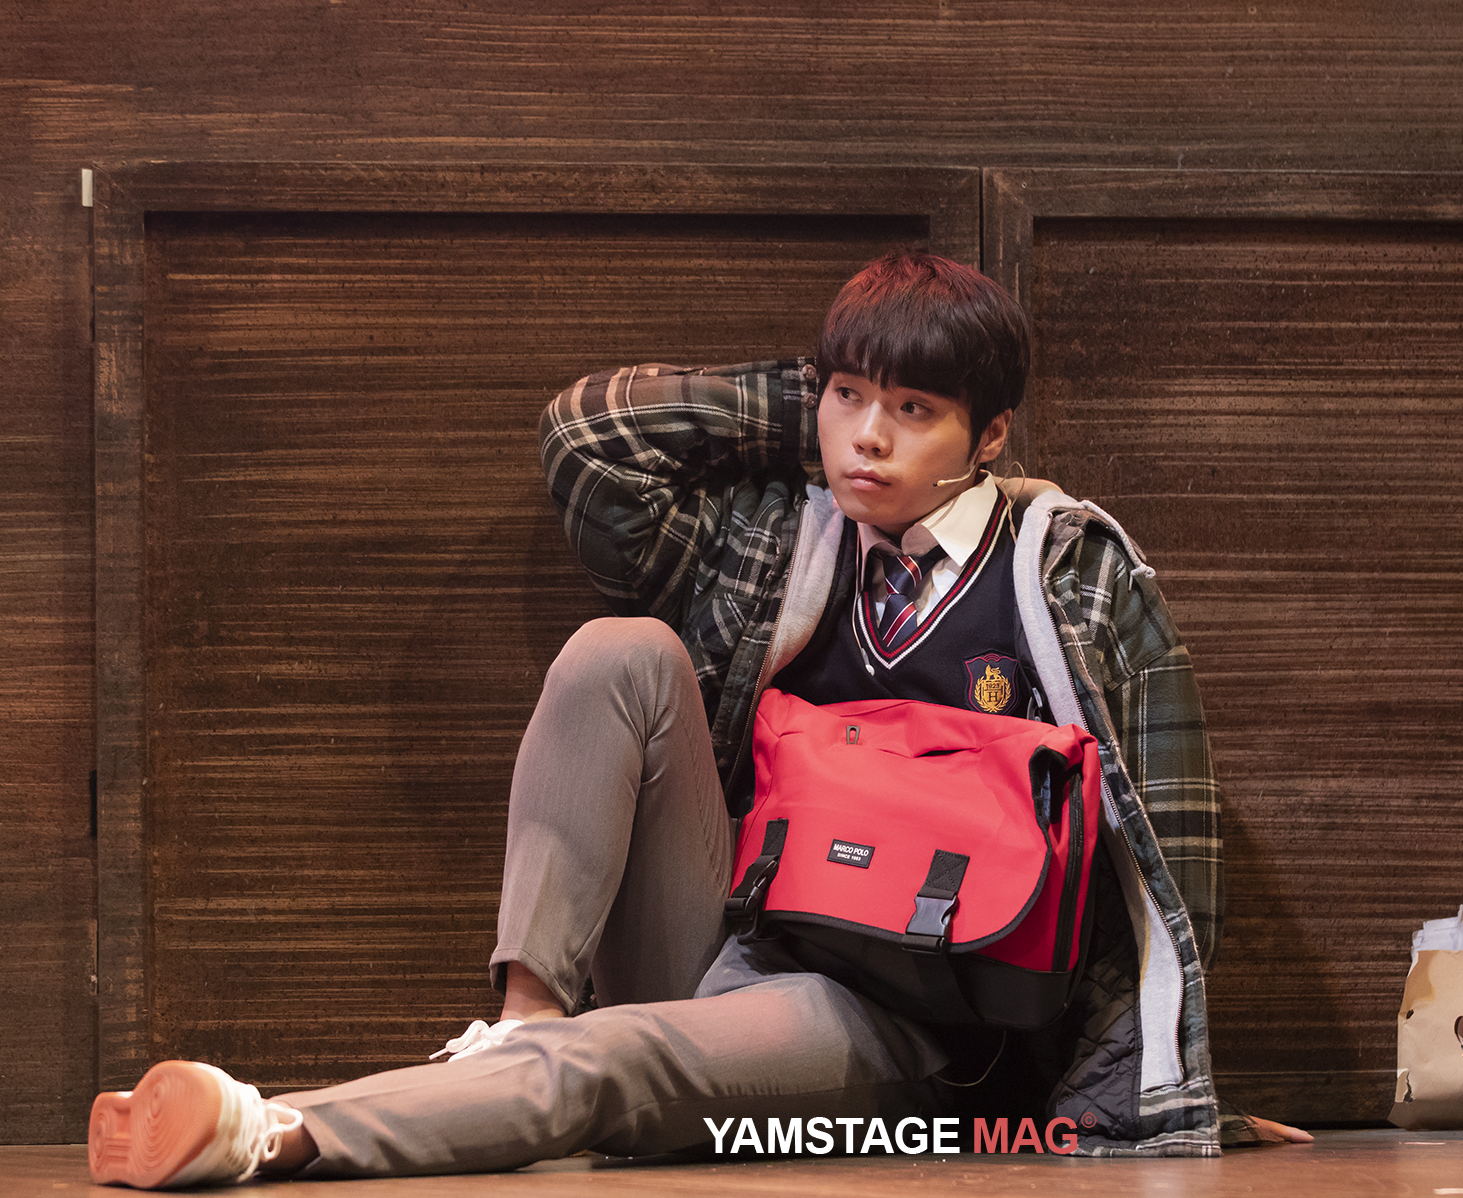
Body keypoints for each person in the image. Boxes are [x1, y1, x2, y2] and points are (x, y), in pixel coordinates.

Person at [88, 251, 1308, 1190]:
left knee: (617, 1059)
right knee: (619, 652)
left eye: (915, 409)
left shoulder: (1069, 572)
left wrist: (1158, 1085)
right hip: (741, 935)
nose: (868, 435)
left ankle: (268, 1132)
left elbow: (1169, 857)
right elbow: (589, 436)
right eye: (848, 398)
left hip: (910, 1026)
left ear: (990, 434)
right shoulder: (786, 541)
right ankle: (523, 1020)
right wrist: (828, 388)